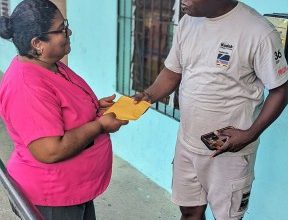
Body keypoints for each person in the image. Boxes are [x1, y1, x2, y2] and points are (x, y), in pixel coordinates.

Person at [135, 0, 288, 219]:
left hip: (229, 148)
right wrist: (148, 96)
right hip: (187, 145)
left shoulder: (258, 31)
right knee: (189, 212)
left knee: (227, 216)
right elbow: (172, 72)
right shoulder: (188, 22)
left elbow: (280, 90)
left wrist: (250, 135)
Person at [0, 0, 128, 219]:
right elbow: (50, 150)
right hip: (52, 197)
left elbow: (61, 110)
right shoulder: (27, 85)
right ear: (38, 43)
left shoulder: (50, 65)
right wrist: (98, 125)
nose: (69, 31)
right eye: (62, 29)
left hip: (74, 189)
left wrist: (95, 108)